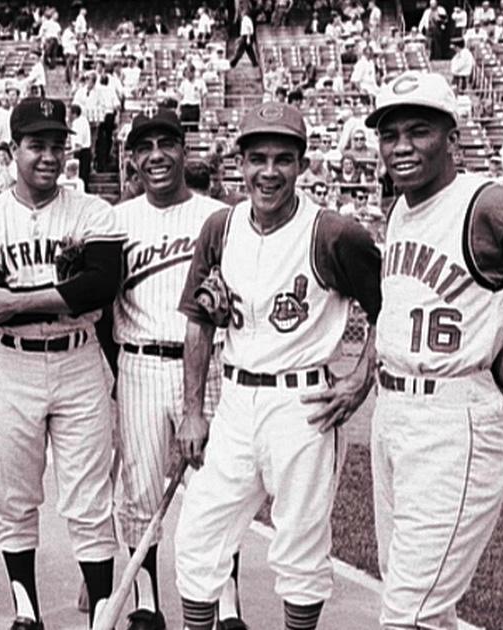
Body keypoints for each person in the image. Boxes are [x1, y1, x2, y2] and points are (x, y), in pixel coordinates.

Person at [366, 70, 503, 630]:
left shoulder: (491, 207)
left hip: (454, 420)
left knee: (410, 613)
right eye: (390, 134)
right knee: (419, 598)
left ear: (453, 139)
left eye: (419, 131)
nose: (401, 146)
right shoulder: (402, 208)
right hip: (395, 415)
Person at [174, 102, 383, 630]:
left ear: (303, 164)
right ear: (238, 163)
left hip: (303, 404)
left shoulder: (334, 233)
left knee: (301, 548)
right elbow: (199, 322)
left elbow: (389, 309)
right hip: (237, 400)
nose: (270, 172)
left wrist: (360, 377)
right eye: (258, 159)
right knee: (198, 539)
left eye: (283, 159)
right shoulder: (219, 228)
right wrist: (192, 411)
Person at [0, 97, 123, 630]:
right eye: (37, 145)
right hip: (13, 369)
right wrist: (61, 293)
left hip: (79, 362)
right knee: (15, 494)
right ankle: (26, 608)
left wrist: (23, 299)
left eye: (58, 145)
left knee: (89, 496)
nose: (49, 156)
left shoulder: (93, 210)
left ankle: (100, 610)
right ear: (13, 150)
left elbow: (102, 284)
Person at [110, 109, 244, 630]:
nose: (157, 155)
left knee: (219, 492)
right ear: (133, 160)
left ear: (185, 152)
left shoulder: (221, 216)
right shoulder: (116, 220)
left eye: (167, 144)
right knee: (140, 492)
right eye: (146, 148)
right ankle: (146, 603)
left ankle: (225, 605)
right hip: (139, 361)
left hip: (207, 364)